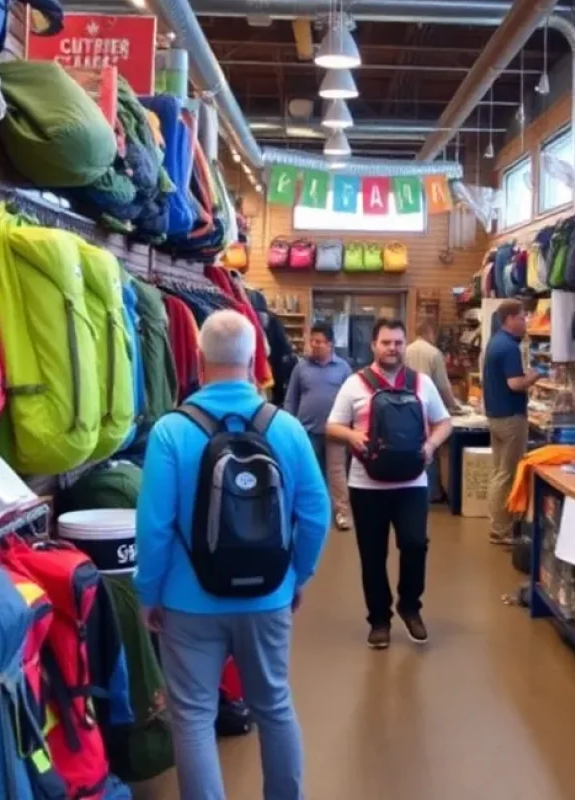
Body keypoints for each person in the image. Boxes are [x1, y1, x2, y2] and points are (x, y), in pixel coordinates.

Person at [135, 311, 330, 800]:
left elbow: (154, 527)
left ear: (200, 360)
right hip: (268, 597)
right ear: (252, 360)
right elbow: (315, 512)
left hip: (187, 600)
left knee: (195, 716)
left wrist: (148, 594)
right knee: (274, 706)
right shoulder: (284, 428)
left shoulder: (170, 431)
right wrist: (297, 576)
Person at [326, 318, 452, 649]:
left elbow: (444, 422)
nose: (392, 348)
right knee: (372, 555)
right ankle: (379, 620)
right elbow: (332, 426)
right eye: (386, 342)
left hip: (412, 484)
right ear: (374, 345)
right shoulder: (354, 384)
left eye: (398, 342)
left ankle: (410, 606)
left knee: (414, 545)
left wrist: (430, 445)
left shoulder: (422, 383)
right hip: (366, 485)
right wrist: (354, 434)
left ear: (405, 344)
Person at [284, 321, 353, 530]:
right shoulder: (300, 367)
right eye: (312, 341)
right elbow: (291, 399)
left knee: (336, 472)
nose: (314, 345)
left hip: (336, 431)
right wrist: (290, 425)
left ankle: (342, 512)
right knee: (309, 473)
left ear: (330, 344)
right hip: (306, 431)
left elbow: (352, 399)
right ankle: (308, 511)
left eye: (319, 342)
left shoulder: (343, 368)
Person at [482, 300, 538, 545]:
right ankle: (501, 529)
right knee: (507, 473)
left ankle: (498, 522)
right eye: (522, 317)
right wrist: (534, 376)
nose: (525, 321)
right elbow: (514, 383)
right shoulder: (509, 348)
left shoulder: (495, 342)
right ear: (510, 319)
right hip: (511, 419)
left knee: (499, 472)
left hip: (496, 416)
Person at [405, 320, 462, 502]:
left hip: (404, 405)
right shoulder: (434, 353)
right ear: (430, 333)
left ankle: (410, 485)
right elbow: (443, 385)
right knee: (430, 446)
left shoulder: (405, 350)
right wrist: (454, 406)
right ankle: (432, 493)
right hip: (427, 407)